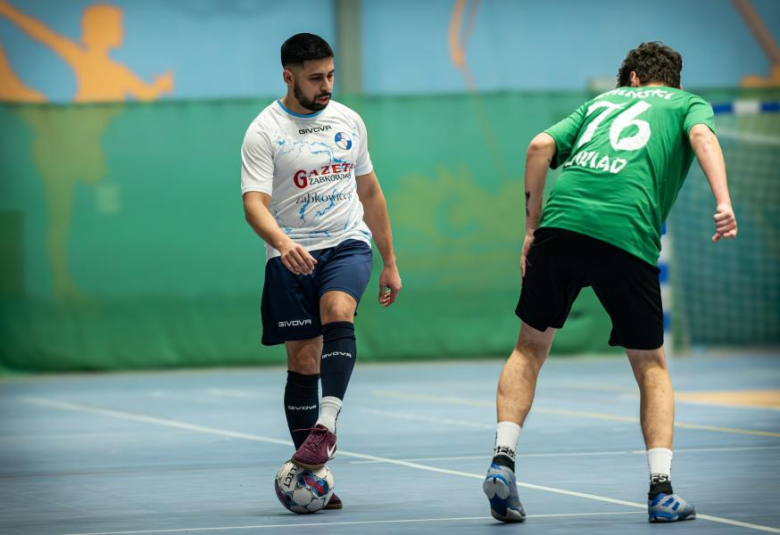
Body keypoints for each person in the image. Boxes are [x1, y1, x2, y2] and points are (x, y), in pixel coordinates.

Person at [483, 42, 737, 524]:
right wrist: (723, 200)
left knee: (529, 348)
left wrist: (531, 228)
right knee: (651, 366)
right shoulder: (687, 103)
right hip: (627, 232)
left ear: (634, 78)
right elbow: (703, 137)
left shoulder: (600, 102)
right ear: (670, 81)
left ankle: (503, 458)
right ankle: (661, 491)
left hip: (561, 224)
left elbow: (539, 146)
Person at [241, 33, 402, 510]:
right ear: (288, 77)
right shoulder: (264, 131)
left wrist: (390, 261)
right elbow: (254, 205)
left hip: (347, 242)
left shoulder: (349, 120)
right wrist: (283, 243)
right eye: (315, 78)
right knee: (304, 361)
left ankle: (326, 426)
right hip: (291, 252)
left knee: (339, 310)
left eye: (331, 75)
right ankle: (311, 471)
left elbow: (370, 194)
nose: (326, 85)